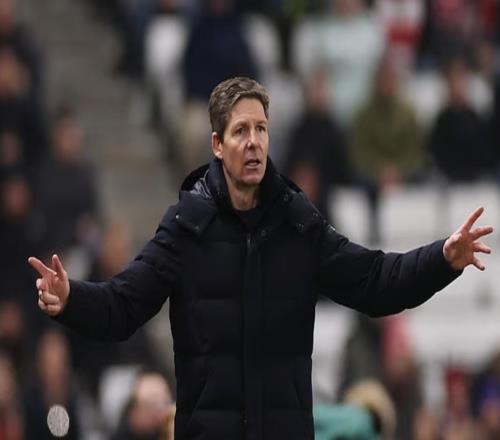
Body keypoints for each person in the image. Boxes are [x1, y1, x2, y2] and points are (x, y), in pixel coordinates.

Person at [28, 77, 493, 440]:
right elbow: (122, 306)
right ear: (217, 144)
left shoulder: (300, 224)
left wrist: (442, 259)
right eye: (241, 131)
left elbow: (375, 281)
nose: (253, 141)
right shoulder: (185, 229)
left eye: (261, 129)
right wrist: (71, 299)